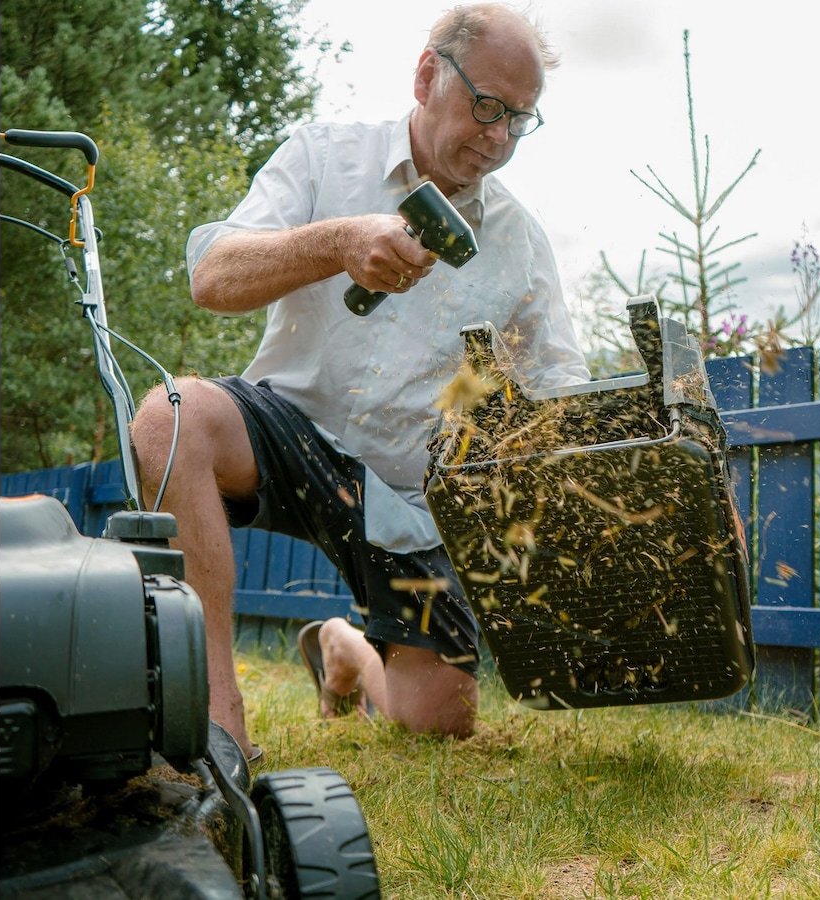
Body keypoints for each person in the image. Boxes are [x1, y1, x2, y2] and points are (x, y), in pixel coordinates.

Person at [131, 1, 590, 758]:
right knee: (169, 416)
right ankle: (216, 725)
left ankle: (343, 648)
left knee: (439, 718)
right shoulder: (324, 156)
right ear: (425, 75)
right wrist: (340, 240)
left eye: (520, 118)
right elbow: (212, 276)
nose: (499, 137)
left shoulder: (520, 243)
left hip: (409, 498)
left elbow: (559, 386)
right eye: (485, 106)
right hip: (286, 436)